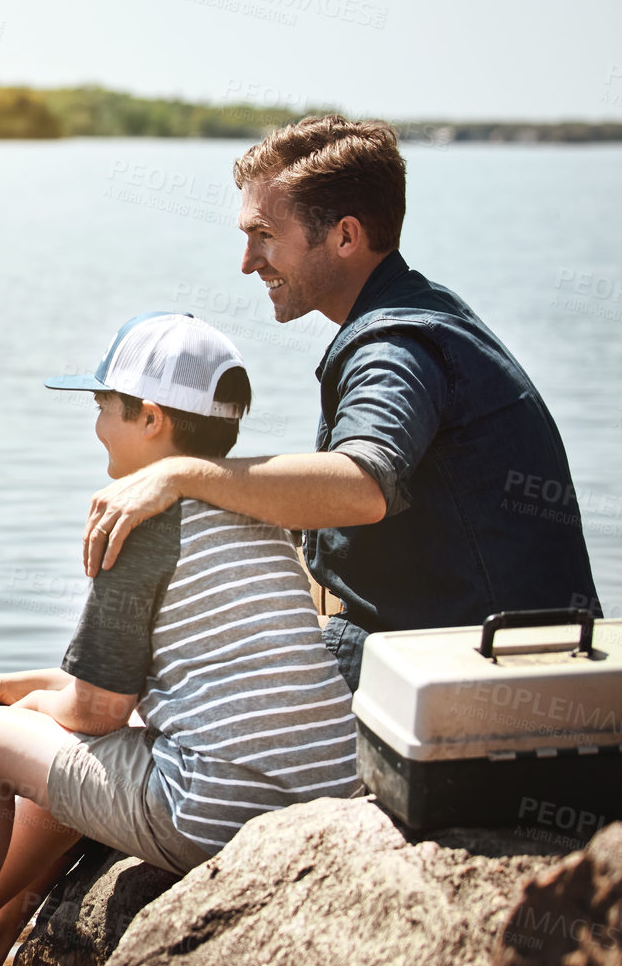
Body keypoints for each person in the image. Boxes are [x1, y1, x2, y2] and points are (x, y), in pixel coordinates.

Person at [0, 313, 359, 966]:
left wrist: (26, 708)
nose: (97, 422)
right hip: (322, 791)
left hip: (223, 810)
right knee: (58, 750)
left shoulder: (134, 521)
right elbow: (157, 683)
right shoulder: (258, 505)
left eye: (104, 406)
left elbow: (97, 712)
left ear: (151, 418)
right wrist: (31, 686)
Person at [83, 116, 602, 689]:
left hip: (476, 677)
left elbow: (361, 484)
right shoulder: (421, 310)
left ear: (346, 237)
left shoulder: (394, 346)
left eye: (265, 235)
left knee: (166, 689)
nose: (248, 261)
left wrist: (179, 474)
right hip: (482, 657)